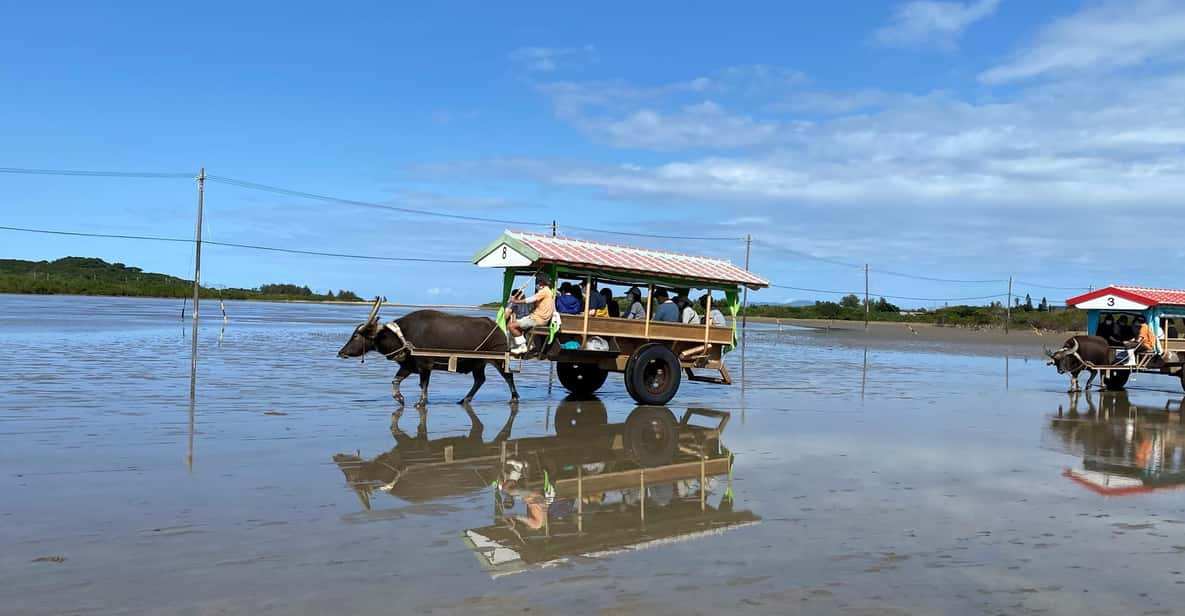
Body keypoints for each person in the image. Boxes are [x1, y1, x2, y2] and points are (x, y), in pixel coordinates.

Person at [507, 274, 554, 355]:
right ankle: (524, 345)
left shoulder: (544, 291)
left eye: (539, 282)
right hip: (536, 318)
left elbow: (531, 299)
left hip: (537, 319)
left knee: (511, 326)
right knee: (518, 327)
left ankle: (522, 346)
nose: (538, 284)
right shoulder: (548, 292)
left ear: (541, 282)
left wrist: (516, 301)